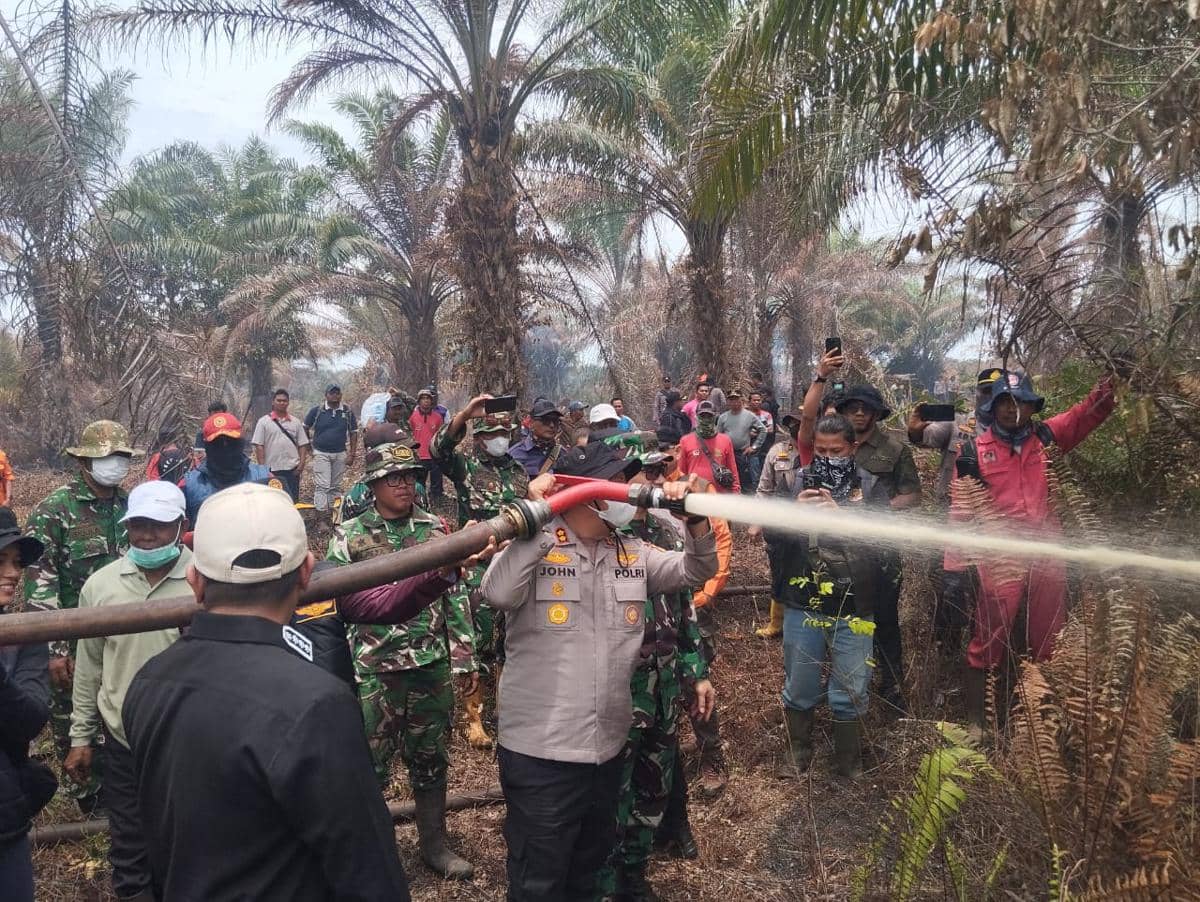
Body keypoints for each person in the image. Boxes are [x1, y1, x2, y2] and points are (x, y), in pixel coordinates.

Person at [122, 483, 410, 901]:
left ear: (195, 581)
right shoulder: (316, 702)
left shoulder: (149, 681)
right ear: (308, 573)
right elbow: (365, 867)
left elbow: (146, 829)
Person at [480, 442, 717, 901]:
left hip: (607, 751)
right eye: (618, 482)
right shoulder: (536, 544)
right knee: (539, 881)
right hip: (542, 755)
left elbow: (695, 570)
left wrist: (695, 520)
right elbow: (498, 593)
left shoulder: (632, 553)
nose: (629, 492)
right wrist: (542, 514)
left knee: (588, 873)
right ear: (584, 493)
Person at [327, 440, 478, 879]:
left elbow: (456, 593)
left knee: (430, 758)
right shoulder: (349, 535)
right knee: (371, 765)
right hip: (375, 669)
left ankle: (434, 844)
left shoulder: (435, 529)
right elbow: (337, 603)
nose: (405, 485)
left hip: (429, 664)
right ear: (373, 485)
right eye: (394, 477)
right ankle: (371, 850)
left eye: (410, 476)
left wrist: (463, 654)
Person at [954, 368, 1119, 738]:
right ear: (993, 407)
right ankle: (978, 725)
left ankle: (1042, 727)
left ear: (1031, 407)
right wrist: (955, 566)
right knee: (989, 637)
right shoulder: (971, 453)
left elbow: (1083, 415)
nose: (1013, 410)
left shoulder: (1046, 437)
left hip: (1047, 551)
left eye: (1021, 403)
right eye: (1004, 403)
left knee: (1049, 638)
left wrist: (1110, 383)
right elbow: (961, 511)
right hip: (1000, 556)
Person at [597, 452, 715, 900]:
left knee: (654, 787)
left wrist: (696, 670)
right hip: (620, 690)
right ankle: (606, 884)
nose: (641, 484)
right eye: (629, 477)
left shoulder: (663, 532)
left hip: (662, 682)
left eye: (646, 475)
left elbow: (683, 606)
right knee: (614, 793)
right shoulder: (600, 538)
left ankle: (635, 877)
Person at [66, 481, 189, 902]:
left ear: (180, 525)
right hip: (124, 740)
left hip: (188, 739)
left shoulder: (204, 580)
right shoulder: (101, 587)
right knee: (131, 847)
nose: (148, 534)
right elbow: (89, 668)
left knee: (189, 838)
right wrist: (81, 737)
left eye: (159, 524)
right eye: (139, 525)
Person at [24, 420, 143, 814]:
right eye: (108, 456)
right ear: (85, 461)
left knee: (125, 712)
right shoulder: (54, 511)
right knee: (75, 718)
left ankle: (130, 789)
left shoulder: (131, 508)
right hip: (74, 643)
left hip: (125, 638)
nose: (115, 464)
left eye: (121, 457)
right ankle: (89, 799)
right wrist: (55, 648)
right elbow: (41, 583)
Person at [777, 415, 879, 779]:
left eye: (836, 451)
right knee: (800, 682)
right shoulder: (796, 481)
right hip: (803, 601)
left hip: (855, 603)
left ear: (853, 448)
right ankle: (797, 753)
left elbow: (881, 547)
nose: (827, 457)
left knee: (852, 687)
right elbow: (773, 537)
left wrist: (843, 519)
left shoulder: (870, 485)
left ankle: (848, 762)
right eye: (820, 450)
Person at [432, 395, 530, 750]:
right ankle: (474, 717)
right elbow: (439, 450)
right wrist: (463, 416)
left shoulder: (519, 473)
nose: (501, 438)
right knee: (476, 641)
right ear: (479, 437)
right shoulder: (466, 468)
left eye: (505, 432)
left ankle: (506, 712)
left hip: (513, 564)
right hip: (476, 567)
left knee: (509, 640)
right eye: (493, 432)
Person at [833, 384, 920, 713]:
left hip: (880, 549)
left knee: (885, 617)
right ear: (842, 412)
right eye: (852, 407)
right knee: (843, 613)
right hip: (837, 549)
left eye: (865, 408)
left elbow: (913, 494)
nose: (858, 413)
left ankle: (892, 684)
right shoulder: (832, 444)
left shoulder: (894, 449)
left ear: (875, 413)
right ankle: (850, 682)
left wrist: (878, 510)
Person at [907, 368, 1003, 652]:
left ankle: (986, 640)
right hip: (950, 515)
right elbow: (925, 437)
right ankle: (945, 646)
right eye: (983, 391)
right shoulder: (958, 422)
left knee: (989, 585)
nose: (987, 397)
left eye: (994, 391)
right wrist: (915, 428)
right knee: (948, 581)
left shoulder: (1014, 428)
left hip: (994, 522)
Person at [0, 507, 50, 902]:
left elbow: (31, 718)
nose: (14, 572)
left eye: (16, 562)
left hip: (4, 822)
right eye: (0, 560)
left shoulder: (26, 637)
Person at [750, 413, 809, 639]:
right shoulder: (777, 452)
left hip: (811, 524)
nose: (797, 427)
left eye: (803, 422)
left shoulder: (821, 450)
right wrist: (756, 521)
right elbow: (764, 489)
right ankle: (776, 624)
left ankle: (803, 625)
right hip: (780, 525)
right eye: (794, 423)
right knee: (779, 571)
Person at [182, 413, 276, 524]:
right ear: (207, 446)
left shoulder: (264, 478)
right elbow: (177, 531)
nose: (225, 446)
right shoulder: (188, 486)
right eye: (217, 443)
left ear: (240, 441)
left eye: (230, 441)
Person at [303, 383, 359, 513]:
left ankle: (335, 513)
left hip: (340, 453)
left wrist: (352, 454)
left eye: (337, 393)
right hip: (321, 453)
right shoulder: (317, 411)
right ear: (326, 395)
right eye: (331, 393)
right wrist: (308, 448)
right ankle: (322, 514)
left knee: (335, 486)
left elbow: (353, 432)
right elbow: (305, 427)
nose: (335, 395)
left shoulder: (347, 412)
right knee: (323, 485)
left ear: (341, 395)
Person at [251, 388, 310, 502]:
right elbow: (259, 446)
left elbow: (303, 444)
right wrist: (263, 469)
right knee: (273, 500)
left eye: (284, 401)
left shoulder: (295, 422)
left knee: (292, 500)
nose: (282, 403)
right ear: (273, 402)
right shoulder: (263, 422)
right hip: (272, 470)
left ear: (288, 402)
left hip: (292, 469)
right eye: (279, 400)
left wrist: (301, 464)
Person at [678, 400, 740, 493]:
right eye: (703, 416)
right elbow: (681, 472)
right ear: (696, 417)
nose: (706, 419)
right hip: (694, 495)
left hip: (719, 495)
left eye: (709, 416)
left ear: (715, 417)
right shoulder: (685, 441)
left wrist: (736, 493)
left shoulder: (725, 440)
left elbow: (732, 470)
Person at [717, 390, 768, 494]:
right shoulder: (723, 417)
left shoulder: (749, 415)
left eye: (736, 400)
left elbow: (763, 430)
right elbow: (718, 435)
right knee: (726, 478)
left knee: (743, 480)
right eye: (731, 400)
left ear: (741, 401)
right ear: (728, 402)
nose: (734, 402)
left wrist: (754, 447)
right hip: (726, 453)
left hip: (742, 453)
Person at [510, 398, 565, 477]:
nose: (552, 425)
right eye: (546, 420)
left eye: (556, 421)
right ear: (532, 423)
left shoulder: (563, 454)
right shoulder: (515, 455)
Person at [408, 387, 445, 502]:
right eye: (423, 398)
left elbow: (441, 435)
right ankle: (420, 502)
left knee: (436, 482)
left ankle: (437, 502)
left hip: (434, 455)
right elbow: (410, 434)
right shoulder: (412, 417)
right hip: (419, 456)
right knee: (419, 483)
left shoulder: (438, 417)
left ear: (432, 401)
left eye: (428, 398)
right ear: (419, 401)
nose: (426, 401)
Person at [747, 389, 775, 490]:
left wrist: (759, 432)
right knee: (754, 465)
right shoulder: (746, 415)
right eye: (754, 400)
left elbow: (771, 429)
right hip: (751, 444)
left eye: (758, 400)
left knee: (766, 465)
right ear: (749, 401)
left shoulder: (767, 415)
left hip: (765, 444)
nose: (756, 402)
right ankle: (755, 486)